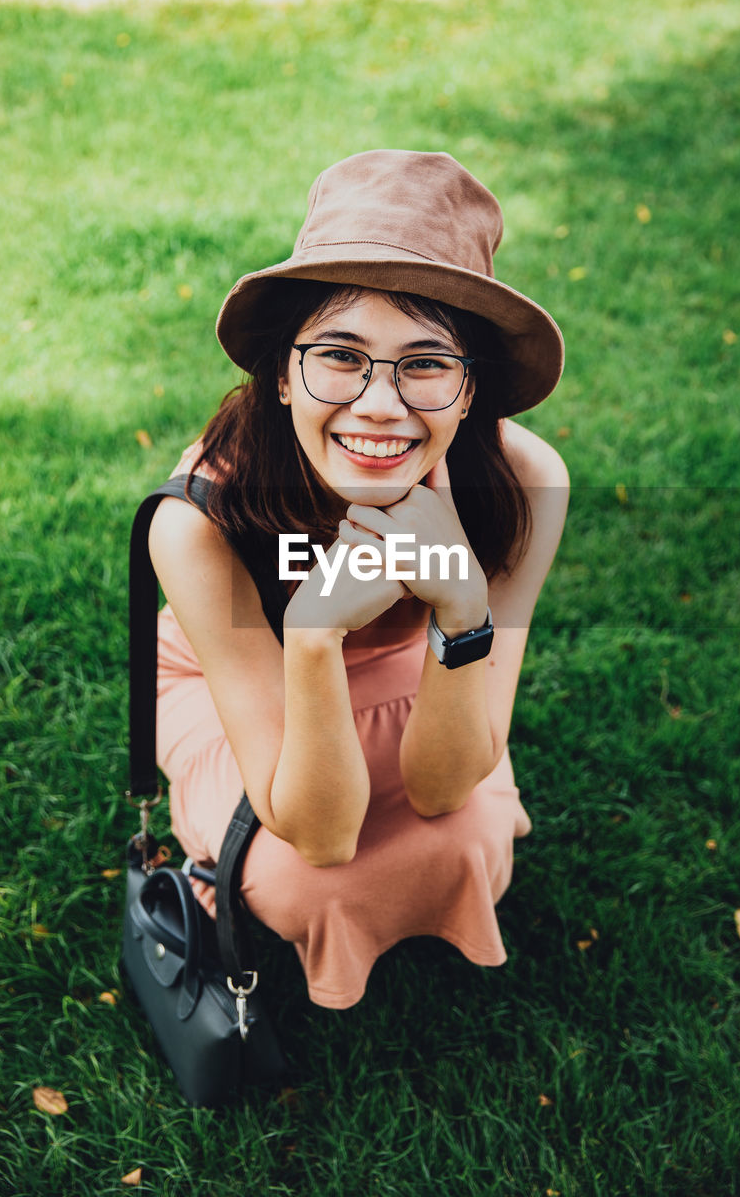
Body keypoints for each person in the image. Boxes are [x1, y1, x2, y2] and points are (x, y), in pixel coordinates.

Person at [149, 149, 569, 1010]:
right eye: (339, 355)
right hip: (237, 670)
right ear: (279, 371)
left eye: (424, 363)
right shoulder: (198, 522)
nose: (380, 405)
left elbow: (444, 785)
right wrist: (310, 637)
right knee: (311, 878)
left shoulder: (526, 484)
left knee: (463, 832)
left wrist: (460, 605)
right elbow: (324, 833)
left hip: (407, 663)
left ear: (469, 391)